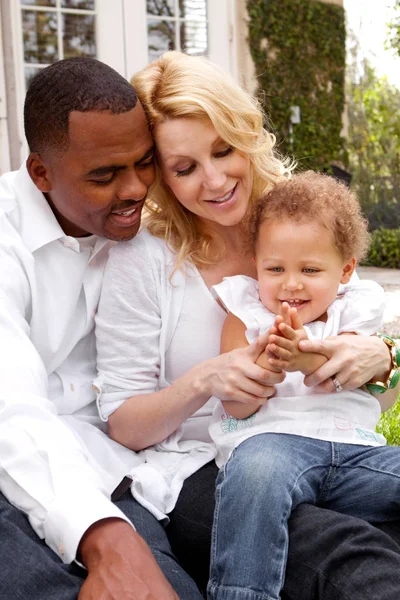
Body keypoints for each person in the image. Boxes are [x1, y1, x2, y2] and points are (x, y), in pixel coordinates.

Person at [95, 51, 400, 599]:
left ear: (246, 133)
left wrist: (385, 358)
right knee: (356, 561)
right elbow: (123, 423)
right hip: (202, 471)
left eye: (223, 149)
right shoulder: (145, 260)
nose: (214, 180)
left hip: (331, 449)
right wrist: (206, 381)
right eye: (184, 168)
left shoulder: (300, 221)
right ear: (160, 175)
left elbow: (367, 404)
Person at [0, 55, 201, 600]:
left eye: (144, 162)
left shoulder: (154, 227)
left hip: (113, 469)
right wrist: (105, 537)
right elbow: (12, 410)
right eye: (105, 175)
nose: (136, 187)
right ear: (40, 172)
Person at [207, 170, 400, 600]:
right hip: (272, 450)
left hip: (356, 455)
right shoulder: (245, 314)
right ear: (256, 264)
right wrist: (266, 366)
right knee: (253, 473)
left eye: (310, 269)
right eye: (275, 268)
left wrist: (303, 354)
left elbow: (340, 368)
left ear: (345, 268)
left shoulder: (355, 308)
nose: (291, 283)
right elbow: (235, 408)